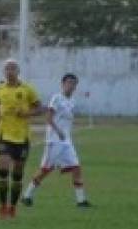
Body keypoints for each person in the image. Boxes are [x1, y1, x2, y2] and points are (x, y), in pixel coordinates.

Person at [22, 74, 91, 208]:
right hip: (54, 141)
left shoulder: (72, 101)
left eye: (74, 83)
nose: (71, 85)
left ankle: (81, 201)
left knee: (76, 168)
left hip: (67, 142)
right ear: (63, 84)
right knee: (46, 170)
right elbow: (48, 117)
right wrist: (58, 131)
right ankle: (27, 196)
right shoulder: (56, 98)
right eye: (69, 82)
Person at [0, 59, 41, 220]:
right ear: (4, 72)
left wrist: (27, 114)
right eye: (7, 69)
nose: (9, 71)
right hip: (4, 135)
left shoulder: (27, 90)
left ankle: (13, 207)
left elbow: (40, 107)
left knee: (17, 174)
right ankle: (2, 206)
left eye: (12, 68)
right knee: (3, 170)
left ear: (18, 71)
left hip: (22, 137)